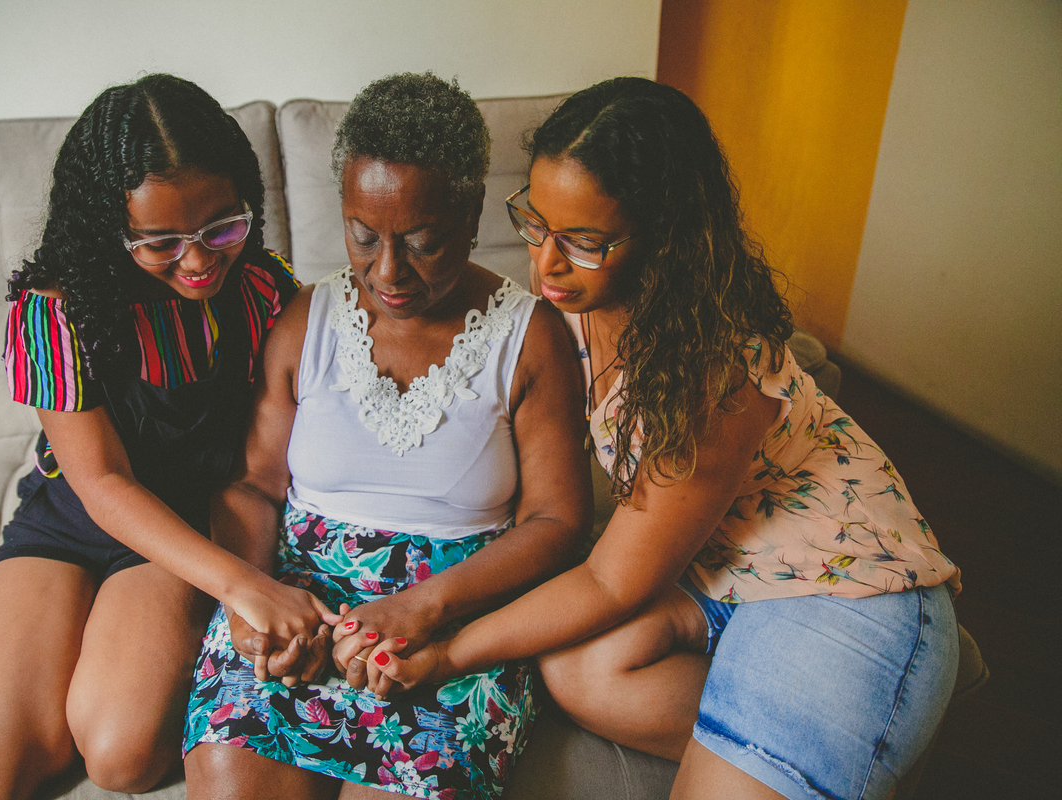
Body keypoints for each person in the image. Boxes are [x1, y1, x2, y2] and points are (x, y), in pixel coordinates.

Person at [370, 77, 963, 800]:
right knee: (576, 671)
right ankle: (849, 743)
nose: (546, 263)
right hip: (711, 572)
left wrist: (447, 648)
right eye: (535, 223)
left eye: (583, 242)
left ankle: (876, 701)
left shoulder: (715, 371)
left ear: (663, 233)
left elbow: (611, 580)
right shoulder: (571, 311)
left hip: (835, 586)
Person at [181, 72, 590, 800]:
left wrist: (427, 607)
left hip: (452, 623)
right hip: (304, 606)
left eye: (424, 242)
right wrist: (254, 601)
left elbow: (558, 520)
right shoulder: (306, 319)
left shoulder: (528, 337)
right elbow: (252, 484)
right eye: (364, 237)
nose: (388, 271)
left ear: (469, 218)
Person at [0, 74, 333, 800]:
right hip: (73, 518)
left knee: (122, 757)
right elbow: (102, 484)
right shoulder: (54, 312)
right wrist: (245, 586)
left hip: (186, 523)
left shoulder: (264, 289)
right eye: (160, 243)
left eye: (223, 228)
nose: (200, 260)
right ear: (107, 228)